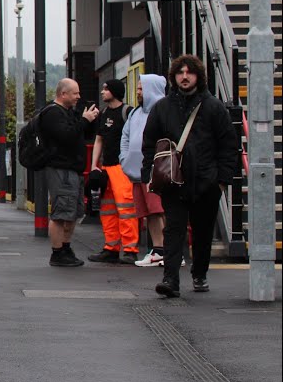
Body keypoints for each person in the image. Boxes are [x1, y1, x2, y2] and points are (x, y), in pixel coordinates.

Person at [141, 55, 239, 298]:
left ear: (199, 76)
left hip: (207, 182)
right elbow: (148, 142)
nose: (185, 77)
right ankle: (170, 279)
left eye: (190, 72)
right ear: (174, 77)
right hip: (172, 181)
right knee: (173, 229)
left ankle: (199, 273)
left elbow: (228, 145)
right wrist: (148, 173)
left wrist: (222, 181)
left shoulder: (213, 107)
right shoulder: (162, 107)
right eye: (180, 73)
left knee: (203, 230)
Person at [39, 78, 100, 267]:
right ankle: (57, 253)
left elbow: (78, 133)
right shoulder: (52, 114)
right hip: (61, 170)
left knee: (72, 212)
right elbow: (66, 136)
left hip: (73, 170)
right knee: (61, 212)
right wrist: (83, 120)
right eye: (75, 93)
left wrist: (87, 121)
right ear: (63, 94)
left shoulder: (68, 113)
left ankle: (65, 248)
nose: (78, 97)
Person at [87, 79, 140, 264]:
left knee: (126, 208)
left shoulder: (128, 112)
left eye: (106, 89)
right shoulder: (103, 113)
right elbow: (99, 139)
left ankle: (130, 249)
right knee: (107, 208)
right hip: (107, 167)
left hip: (122, 168)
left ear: (115, 92)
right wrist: (95, 165)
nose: (102, 92)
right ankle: (111, 247)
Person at [119, 74, 168, 267]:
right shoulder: (135, 113)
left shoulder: (163, 111)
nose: (138, 92)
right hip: (137, 172)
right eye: (138, 89)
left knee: (160, 210)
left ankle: (169, 251)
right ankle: (158, 251)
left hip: (157, 172)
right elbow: (125, 137)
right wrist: (125, 160)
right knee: (149, 213)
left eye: (141, 89)